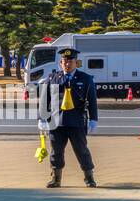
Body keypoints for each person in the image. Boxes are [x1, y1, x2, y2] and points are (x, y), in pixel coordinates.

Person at [37, 48, 99, 188]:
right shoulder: (52, 78)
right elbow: (44, 100)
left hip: (76, 122)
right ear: (60, 63)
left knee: (81, 150)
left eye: (70, 61)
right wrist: (41, 118)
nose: (67, 64)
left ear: (76, 62)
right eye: (65, 61)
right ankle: (56, 178)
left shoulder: (85, 78)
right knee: (56, 151)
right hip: (56, 122)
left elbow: (92, 100)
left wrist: (93, 119)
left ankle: (89, 177)